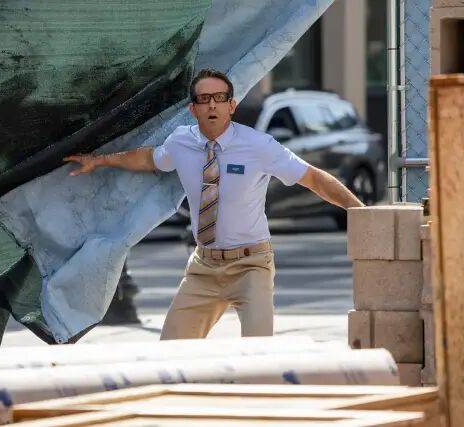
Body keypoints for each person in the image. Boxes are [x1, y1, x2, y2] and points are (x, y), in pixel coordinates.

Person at [64, 69, 364, 340]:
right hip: (204, 267)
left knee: (258, 355)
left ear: (231, 105)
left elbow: (313, 178)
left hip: (251, 265)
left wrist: (361, 212)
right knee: (170, 353)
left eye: (219, 98)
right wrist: (100, 160)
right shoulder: (181, 142)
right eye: (204, 99)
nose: (212, 105)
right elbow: (148, 158)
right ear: (192, 109)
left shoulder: (258, 145)